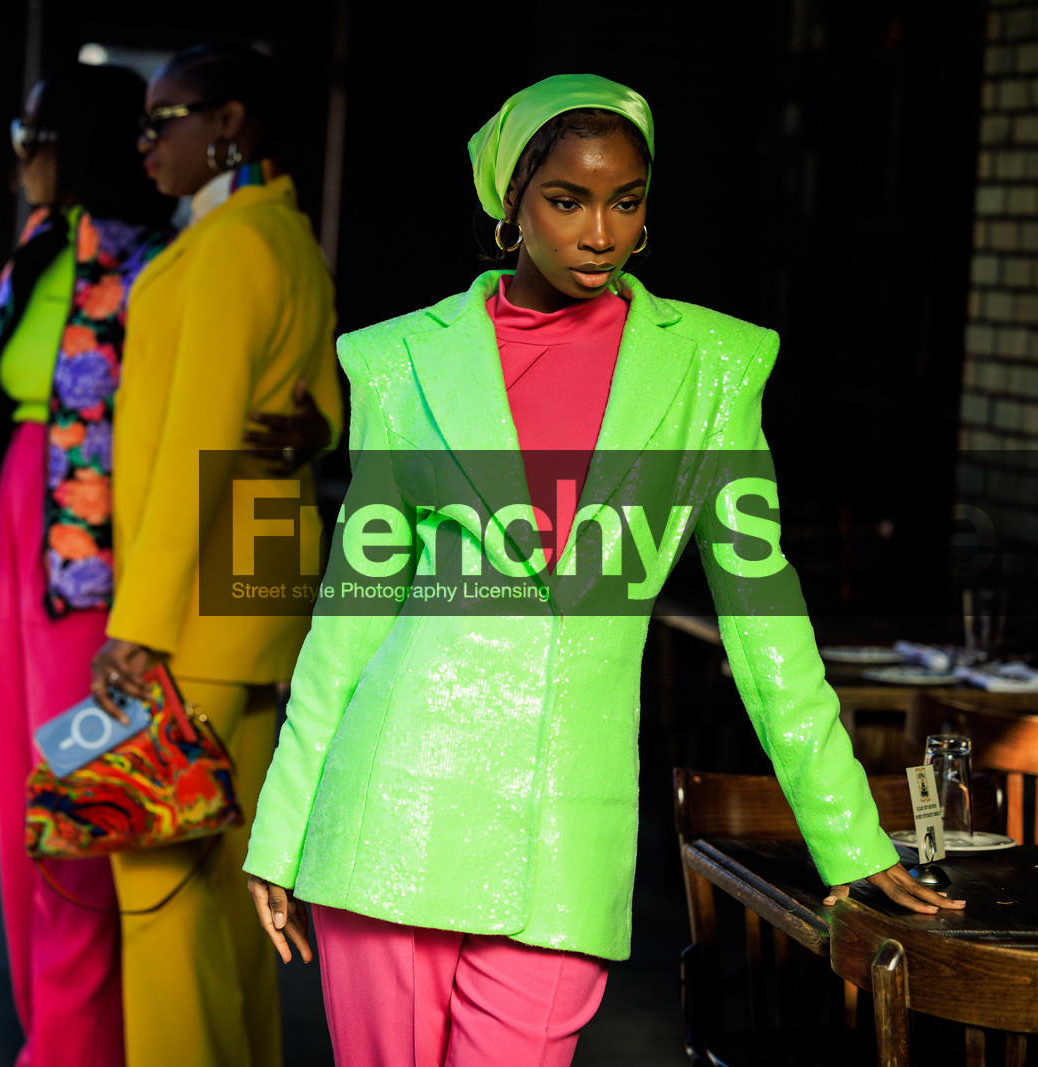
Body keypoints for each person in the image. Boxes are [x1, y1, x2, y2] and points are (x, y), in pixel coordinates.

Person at [238, 74, 965, 1067]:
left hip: (562, 833)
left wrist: (849, 834)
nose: (598, 233)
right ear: (512, 201)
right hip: (391, 804)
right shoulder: (405, 362)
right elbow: (352, 612)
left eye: (625, 201)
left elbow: (765, 619)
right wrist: (281, 827)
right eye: (566, 200)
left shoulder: (710, 367)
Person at [86, 43, 343, 1067]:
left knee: (157, 884)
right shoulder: (284, 234)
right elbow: (312, 406)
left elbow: (197, 439)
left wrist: (139, 625)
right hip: (254, 597)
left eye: (163, 122)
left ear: (228, 124)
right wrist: (318, 432)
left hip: (189, 611)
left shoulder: (234, 245)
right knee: (234, 881)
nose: (144, 144)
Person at [0, 63, 176, 1067]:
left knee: (77, 795)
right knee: (21, 799)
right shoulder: (40, 246)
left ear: (76, 143)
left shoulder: (158, 260)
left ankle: (76, 1045)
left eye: (32, 138)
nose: (20, 159)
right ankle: (51, 1027)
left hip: (95, 560)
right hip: (13, 533)